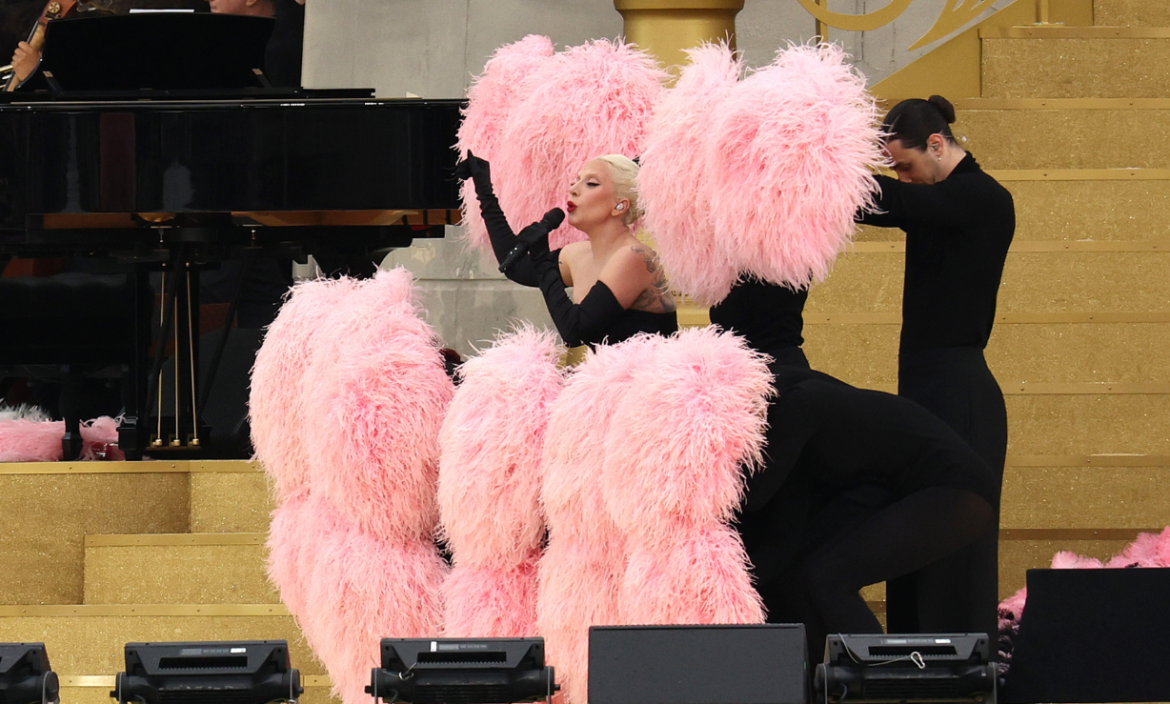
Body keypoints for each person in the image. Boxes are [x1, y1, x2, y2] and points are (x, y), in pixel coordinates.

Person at [712, 279, 997, 657]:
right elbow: (782, 536)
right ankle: (823, 688)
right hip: (902, 487)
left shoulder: (797, 405)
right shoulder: (789, 401)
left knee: (828, 577)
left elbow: (752, 497)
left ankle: (878, 689)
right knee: (803, 579)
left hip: (954, 488)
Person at [859, 95, 1015, 643]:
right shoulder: (940, 198)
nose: (903, 176)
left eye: (906, 163)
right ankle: (914, 660)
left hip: (959, 388)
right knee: (916, 526)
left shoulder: (983, 197)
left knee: (957, 532)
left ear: (937, 143)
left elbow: (889, 200)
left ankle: (959, 667)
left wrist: (823, 161)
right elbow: (876, 204)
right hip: (926, 384)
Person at [458, 153, 678, 347]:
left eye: (591, 183)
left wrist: (543, 259)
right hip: (606, 384)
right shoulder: (579, 254)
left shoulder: (633, 257)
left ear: (620, 205)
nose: (573, 189)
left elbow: (576, 332)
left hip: (649, 386)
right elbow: (516, 267)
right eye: (576, 181)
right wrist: (485, 192)